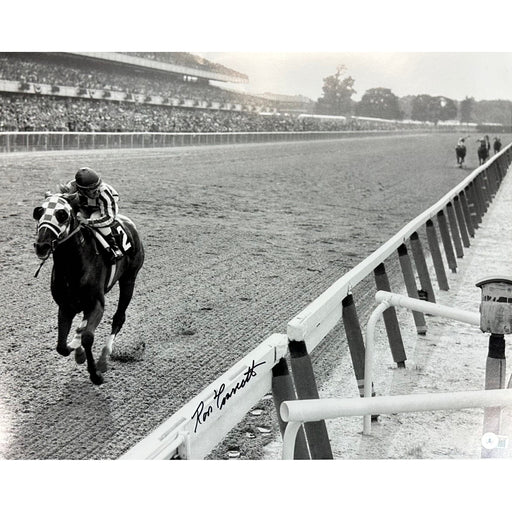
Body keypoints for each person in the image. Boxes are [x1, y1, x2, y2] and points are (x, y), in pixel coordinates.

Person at [58, 167, 123, 260]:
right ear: (81, 189)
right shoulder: (72, 186)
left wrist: (88, 222)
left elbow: (109, 218)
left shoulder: (103, 193)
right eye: (92, 190)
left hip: (104, 207)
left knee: (94, 216)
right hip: (85, 204)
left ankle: (113, 247)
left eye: (97, 187)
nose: (96, 191)